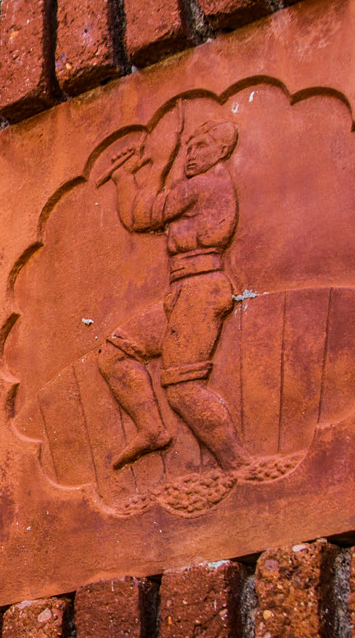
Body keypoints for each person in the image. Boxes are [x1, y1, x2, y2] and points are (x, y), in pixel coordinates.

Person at [92, 115, 253, 473]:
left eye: (201, 147)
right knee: (116, 354)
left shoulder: (204, 186)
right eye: (188, 148)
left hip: (200, 291)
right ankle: (152, 430)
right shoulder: (196, 185)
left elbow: (142, 216)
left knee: (183, 388)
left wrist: (127, 176)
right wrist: (154, 165)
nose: (191, 156)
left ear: (222, 150)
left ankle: (239, 466)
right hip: (181, 292)